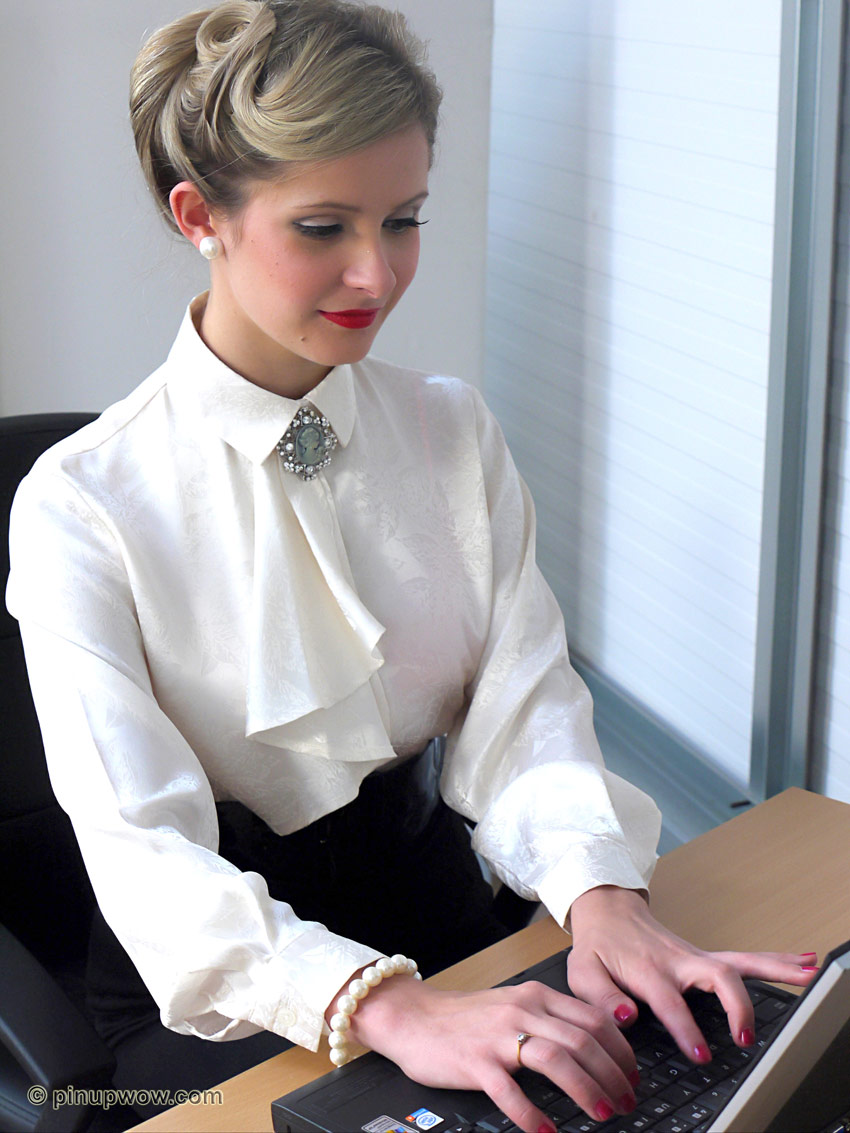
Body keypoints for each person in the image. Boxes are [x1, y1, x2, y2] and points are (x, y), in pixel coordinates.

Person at [6, 2, 818, 1130]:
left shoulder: (450, 429)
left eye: (403, 219)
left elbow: (522, 709)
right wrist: (380, 1005)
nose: (376, 273)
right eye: (322, 226)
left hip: (450, 925)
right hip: (227, 999)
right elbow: (142, 851)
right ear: (201, 216)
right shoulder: (82, 504)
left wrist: (599, 895)